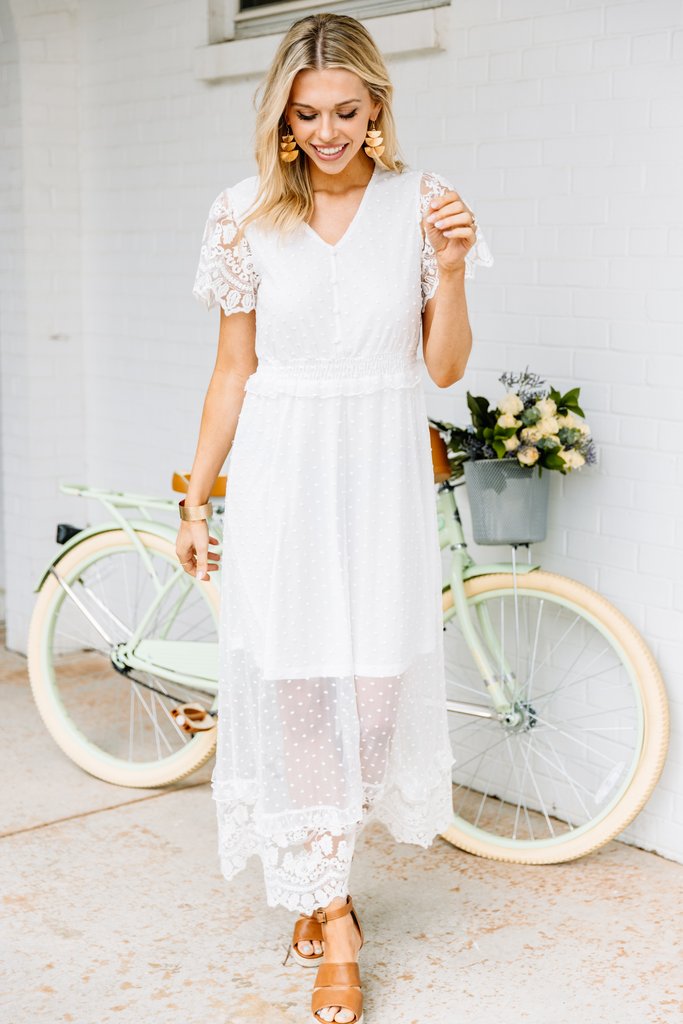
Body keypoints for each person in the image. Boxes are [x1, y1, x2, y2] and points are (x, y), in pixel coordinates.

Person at [179, 12, 493, 1023]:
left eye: (345, 112)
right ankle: (336, 915)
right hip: (279, 474)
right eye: (305, 113)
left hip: (378, 471)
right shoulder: (243, 215)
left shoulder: (422, 203)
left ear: (375, 109)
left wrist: (447, 266)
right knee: (302, 692)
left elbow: (442, 366)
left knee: (369, 699)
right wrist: (195, 492)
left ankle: (319, 880)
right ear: (280, 114)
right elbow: (232, 372)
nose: (325, 132)